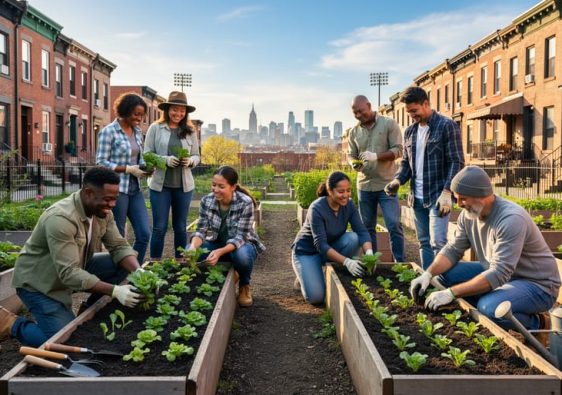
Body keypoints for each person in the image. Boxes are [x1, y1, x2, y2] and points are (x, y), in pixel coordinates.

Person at [1, 167, 144, 347]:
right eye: (108, 199)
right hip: (40, 284)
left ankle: (91, 311)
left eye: (115, 199)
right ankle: (10, 324)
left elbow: (118, 246)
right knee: (65, 342)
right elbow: (68, 273)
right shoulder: (61, 218)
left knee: (122, 264)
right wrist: (115, 290)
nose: (113, 204)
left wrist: (139, 272)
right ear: (88, 193)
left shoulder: (102, 211)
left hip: (74, 269)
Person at [410, 166, 561, 334]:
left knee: (489, 308)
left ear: (481, 196)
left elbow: (499, 273)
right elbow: (453, 250)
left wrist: (452, 293)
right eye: (456, 198)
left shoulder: (511, 219)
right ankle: (497, 301)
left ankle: (538, 324)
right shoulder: (468, 216)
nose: (458, 204)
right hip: (501, 272)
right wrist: (428, 274)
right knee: (445, 274)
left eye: (463, 199)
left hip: (537, 284)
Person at [385, 86, 464, 269]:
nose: (412, 115)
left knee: (438, 242)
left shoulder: (447, 125)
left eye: (414, 110)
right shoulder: (410, 132)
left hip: (438, 195)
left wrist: (447, 191)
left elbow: (457, 161)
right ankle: (427, 281)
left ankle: (443, 283)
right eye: (409, 112)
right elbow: (406, 163)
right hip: (417, 197)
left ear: (426, 103)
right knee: (424, 242)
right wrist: (397, 180)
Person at [188, 166, 264, 307]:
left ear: (233, 186)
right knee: (192, 251)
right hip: (218, 243)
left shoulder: (245, 202)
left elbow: (241, 236)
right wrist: (193, 247)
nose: (215, 189)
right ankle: (214, 279)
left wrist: (219, 252)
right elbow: (201, 230)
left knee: (241, 256)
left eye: (221, 186)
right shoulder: (207, 201)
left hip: (242, 245)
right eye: (213, 185)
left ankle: (244, 285)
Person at [292, 171, 373, 305]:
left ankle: (328, 272)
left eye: (348, 190)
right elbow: (321, 245)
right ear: (330, 191)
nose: (346, 195)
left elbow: (362, 231)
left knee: (353, 238)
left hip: (330, 248)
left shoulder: (349, 205)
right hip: (307, 253)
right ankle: (305, 273)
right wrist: (347, 262)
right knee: (316, 297)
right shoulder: (317, 208)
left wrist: (369, 253)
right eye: (341, 191)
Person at [347, 95, 405, 262]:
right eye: (355, 113)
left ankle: (399, 262)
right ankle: (373, 263)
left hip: (386, 184)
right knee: (367, 227)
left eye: (361, 111)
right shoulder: (354, 132)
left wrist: (376, 156)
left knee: (393, 225)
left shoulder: (388, 124)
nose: (358, 115)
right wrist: (353, 163)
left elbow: (399, 150)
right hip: (364, 185)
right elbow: (351, 155)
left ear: (369, 106)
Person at [144, 91, 201, 259]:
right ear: (167, 109)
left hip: (183, 188)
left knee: (180, 227)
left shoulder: (190, 131)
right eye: (175, 109)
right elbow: (146, 154)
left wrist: (190, 161)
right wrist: (165, 160)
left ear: (186, 112)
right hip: (160, 187)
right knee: (159, 227)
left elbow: (197, 156)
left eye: (182, 110)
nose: (178, 113)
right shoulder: (155, 128)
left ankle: (180, 262)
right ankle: (155, 264)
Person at [96, 92, 151, 263]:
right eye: (136, 114)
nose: (139, 119)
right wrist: (127, 169)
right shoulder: (109, 132)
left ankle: (135, 273)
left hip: (135, 189)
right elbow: (101, 162)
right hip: (116, 191)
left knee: (143, 234)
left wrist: (146, 168)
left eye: (142, 115)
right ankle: (116, 275)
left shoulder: (137, 132)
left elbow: (138, 158)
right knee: (118, 238)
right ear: (125, 111)